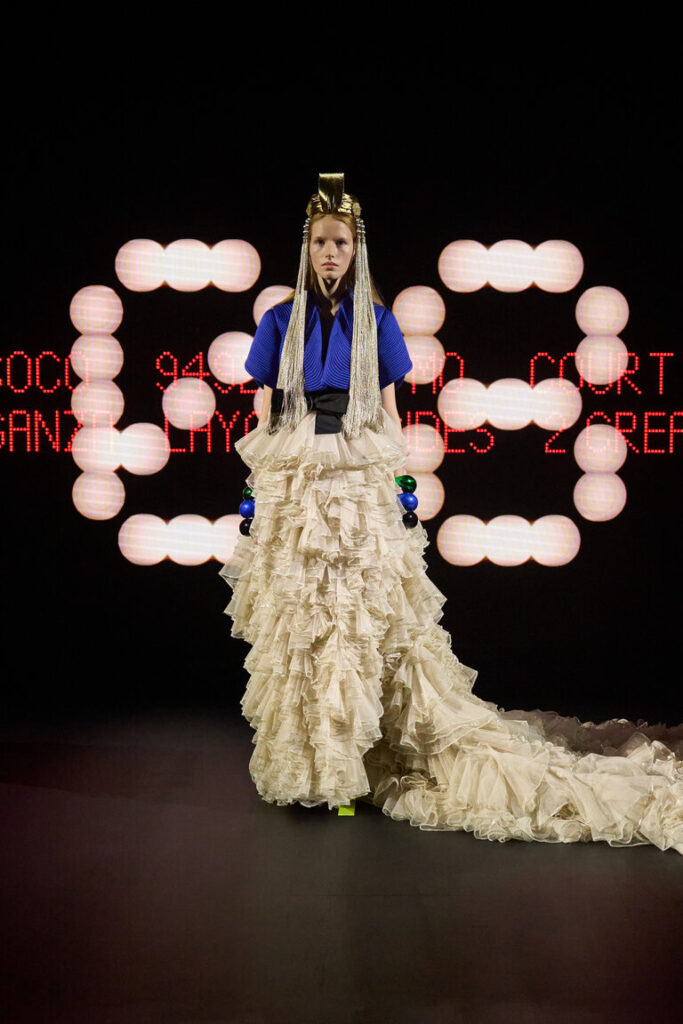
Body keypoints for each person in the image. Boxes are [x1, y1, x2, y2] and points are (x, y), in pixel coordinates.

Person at [219, 173, 683, 854]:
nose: (329, 253)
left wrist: (394, 482)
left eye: (339, 242)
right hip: (298, 470)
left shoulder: (375, 321)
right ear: (306, 247)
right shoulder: (280, 320)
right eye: (319, 242)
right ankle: (308, 770)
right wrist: (263, 475)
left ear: (355, 249)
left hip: (354, 469)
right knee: (303, 623)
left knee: (353, 622)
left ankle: (345, 771)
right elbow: (263, 401)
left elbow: (388, 407)